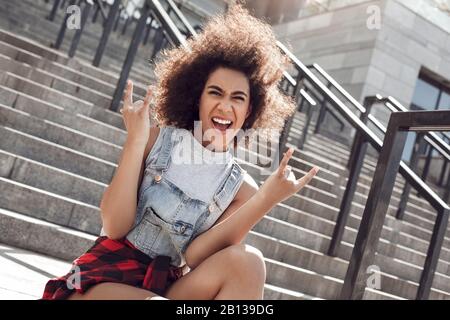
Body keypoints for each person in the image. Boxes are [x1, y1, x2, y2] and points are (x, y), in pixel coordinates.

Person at [42, 4, 319, 300]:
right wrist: (135, 143)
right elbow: (114, 226)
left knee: (249, 263)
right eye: (215, 92)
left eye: (237, 98)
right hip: (106, 278)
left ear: (249, 110)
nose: (225, 107)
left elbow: (197, 256)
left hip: (165, 287)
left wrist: (265, 199)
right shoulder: (154, 140)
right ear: (197, 96)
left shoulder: (241, 189)